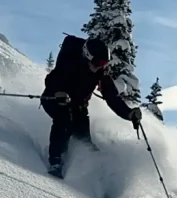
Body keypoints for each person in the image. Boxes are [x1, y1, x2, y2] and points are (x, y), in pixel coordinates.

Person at [41, 35, 142, 177]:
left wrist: (128, 113)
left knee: (83, 140)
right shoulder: (70, 61)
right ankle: (56, 160)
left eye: (104, 63)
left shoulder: (101, 72)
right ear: (87, 56)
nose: (99, 66)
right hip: (54, 99)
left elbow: (112, 97)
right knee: (64, 121)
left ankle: (94, 171)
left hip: (78, 107)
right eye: (97, 62)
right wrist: (58, 92)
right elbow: (52, 79)